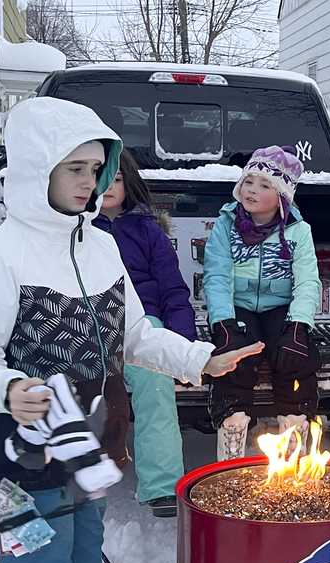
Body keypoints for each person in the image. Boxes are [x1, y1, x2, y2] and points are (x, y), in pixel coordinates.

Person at [0, 96, 260, 563]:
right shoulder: (3, 253)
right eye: (75, 169)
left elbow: (135, 334)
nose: (90, 182)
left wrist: (200, 360)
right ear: (40, 166)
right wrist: (8, 387)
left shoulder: (103, 245)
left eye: (96, 169)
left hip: (87, 453)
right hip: (26, 461)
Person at [92, 149, 194, 518]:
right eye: (100, 177)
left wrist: (181, 344)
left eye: (116, 179)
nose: (107, 187)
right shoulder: (74, 231)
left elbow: (172, 290)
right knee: (80, 390)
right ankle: (77, 480)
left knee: (154, 383)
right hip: (88, 323)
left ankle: (162, 485)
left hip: (144, 325)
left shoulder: (148, 231)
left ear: (129, 184)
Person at [203, 145, 323, 459]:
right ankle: (233, 424)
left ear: (282, 195)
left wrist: (298, 326)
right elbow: (216, 276)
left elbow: (308, 281)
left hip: (279, 305)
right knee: (237, 357)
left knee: (294, 357)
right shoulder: (225, 225)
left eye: (265, 185)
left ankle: (294, 429)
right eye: (248, 181)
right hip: (237, 304)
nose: (252, 190)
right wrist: (224, 324)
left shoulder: (298, 231)